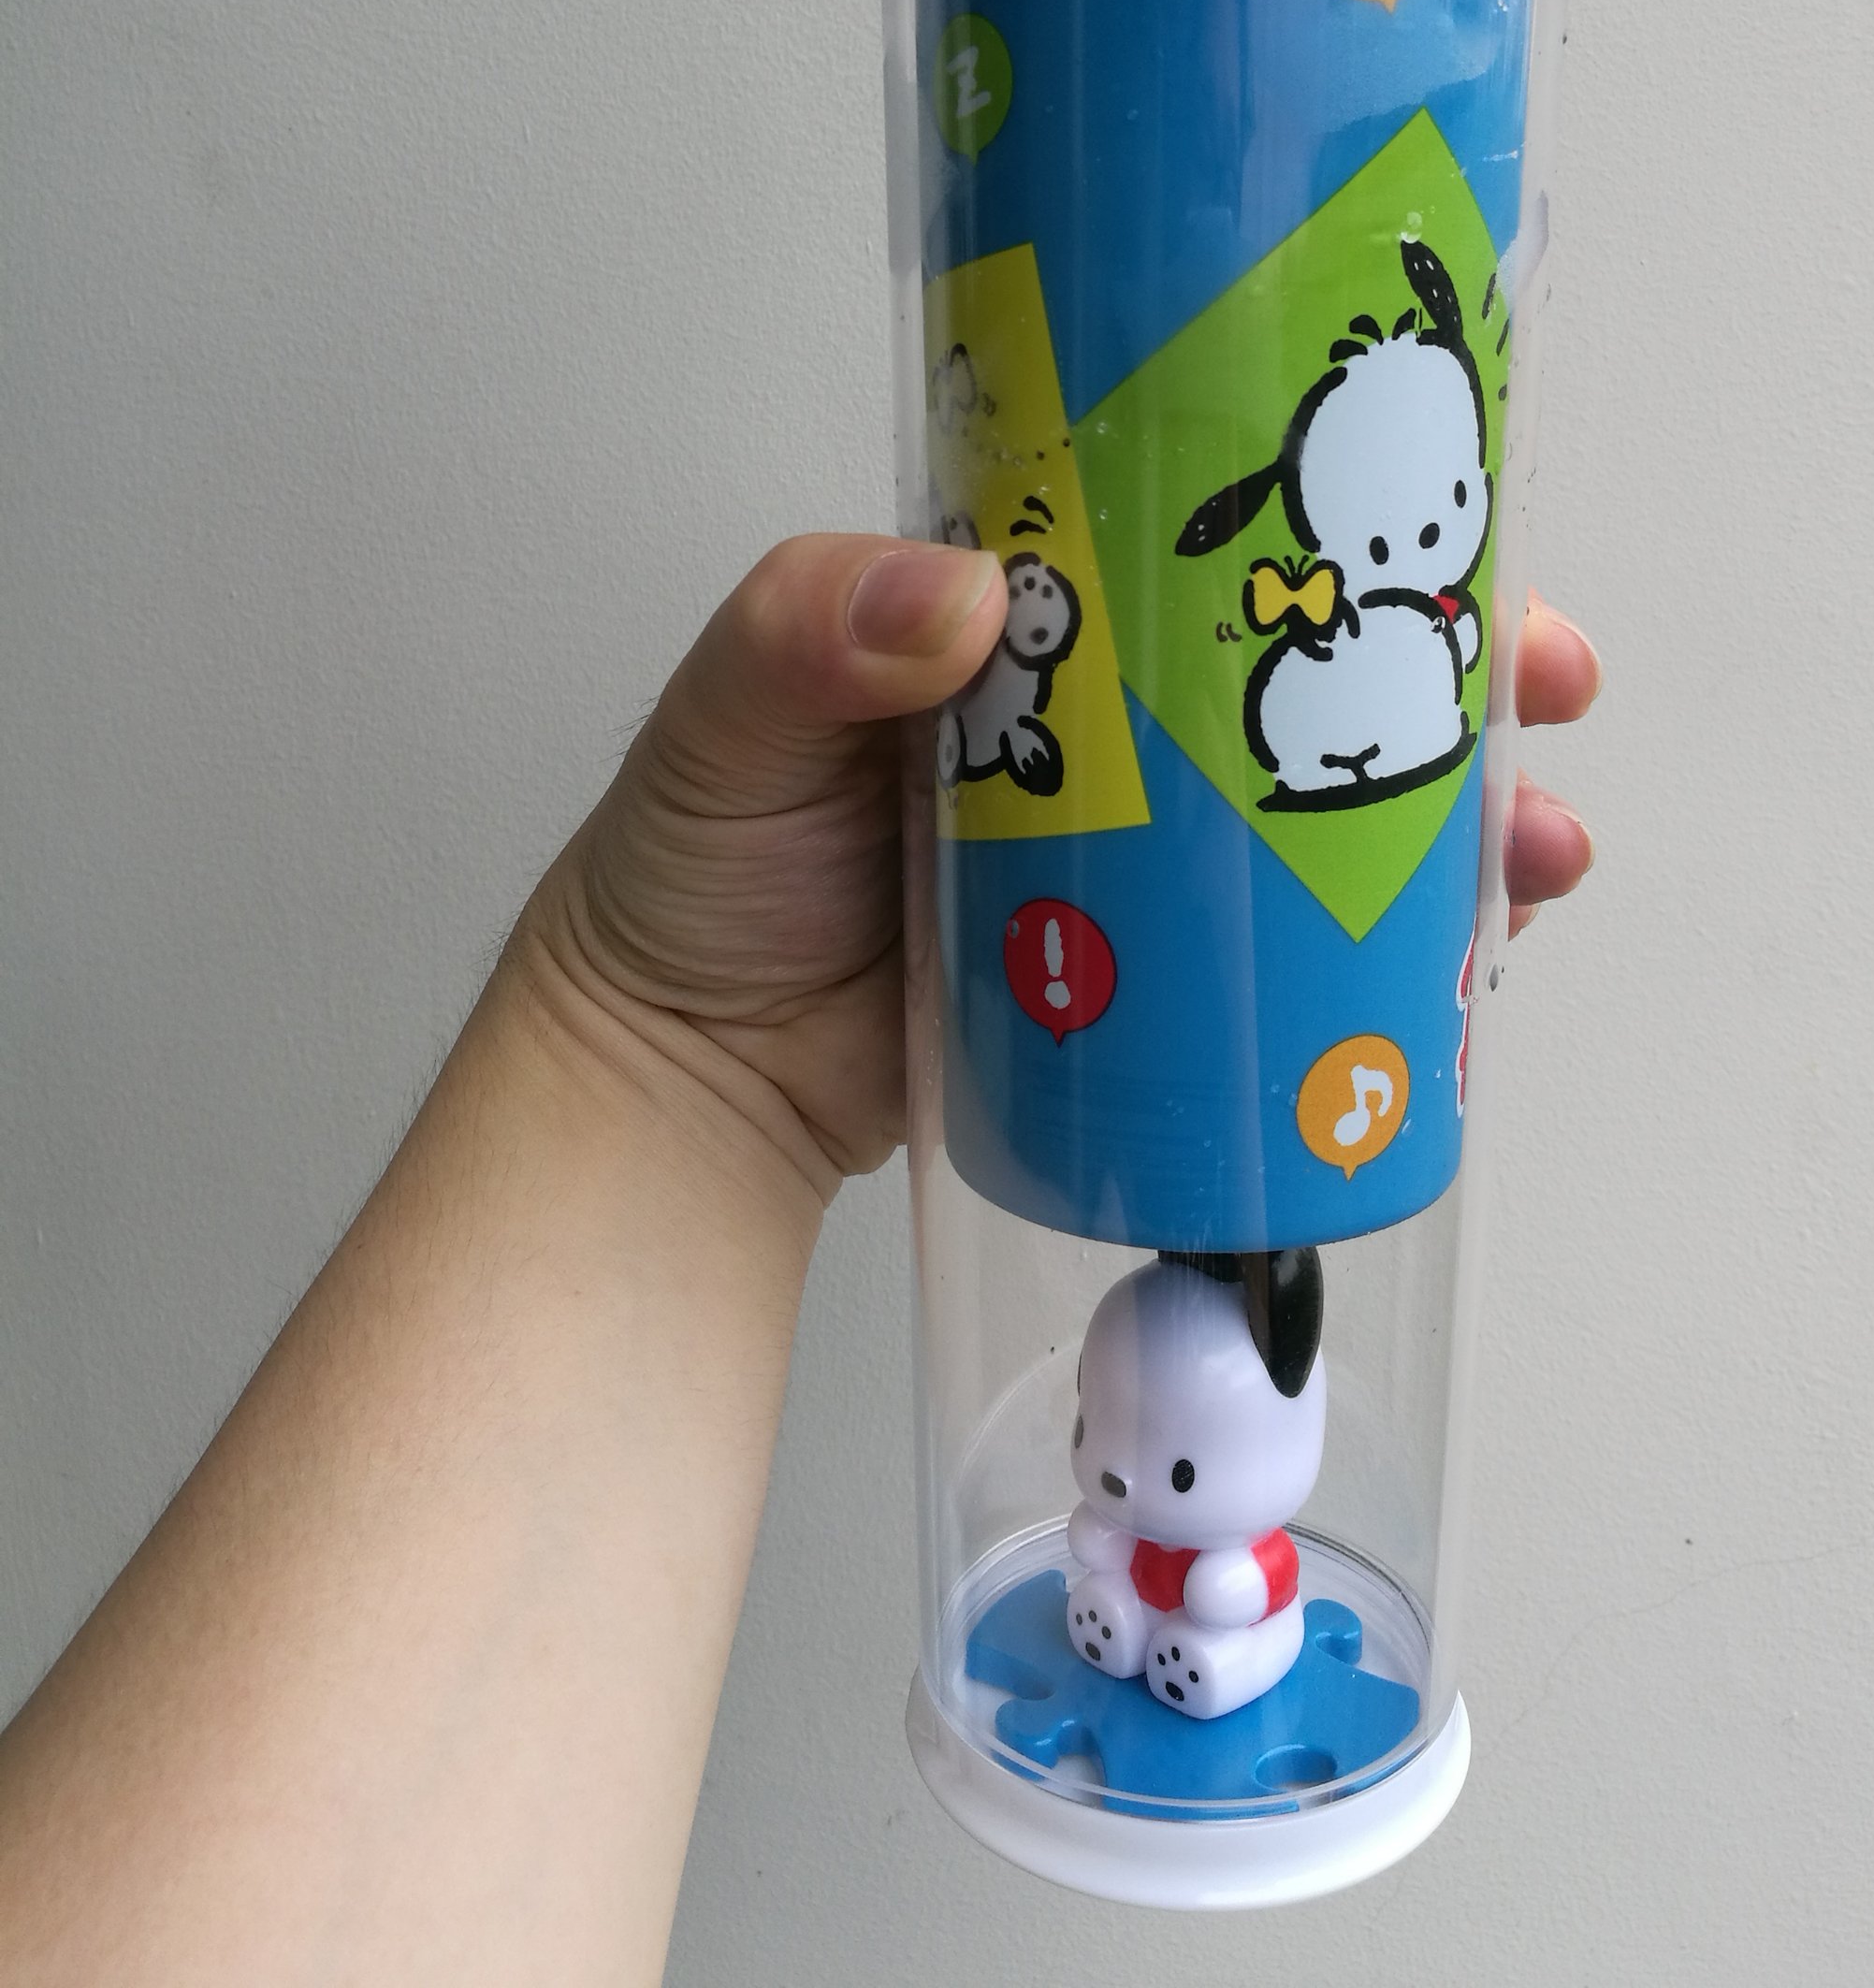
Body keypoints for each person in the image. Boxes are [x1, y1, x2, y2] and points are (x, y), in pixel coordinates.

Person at [0, 535, 1599, 1981]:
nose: (1114, 1481)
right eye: (1104, 1449)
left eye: (1155, 1469)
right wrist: (683, 1040)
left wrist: (682, 1057)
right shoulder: (1129, 1487)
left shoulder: (1241, 1532)